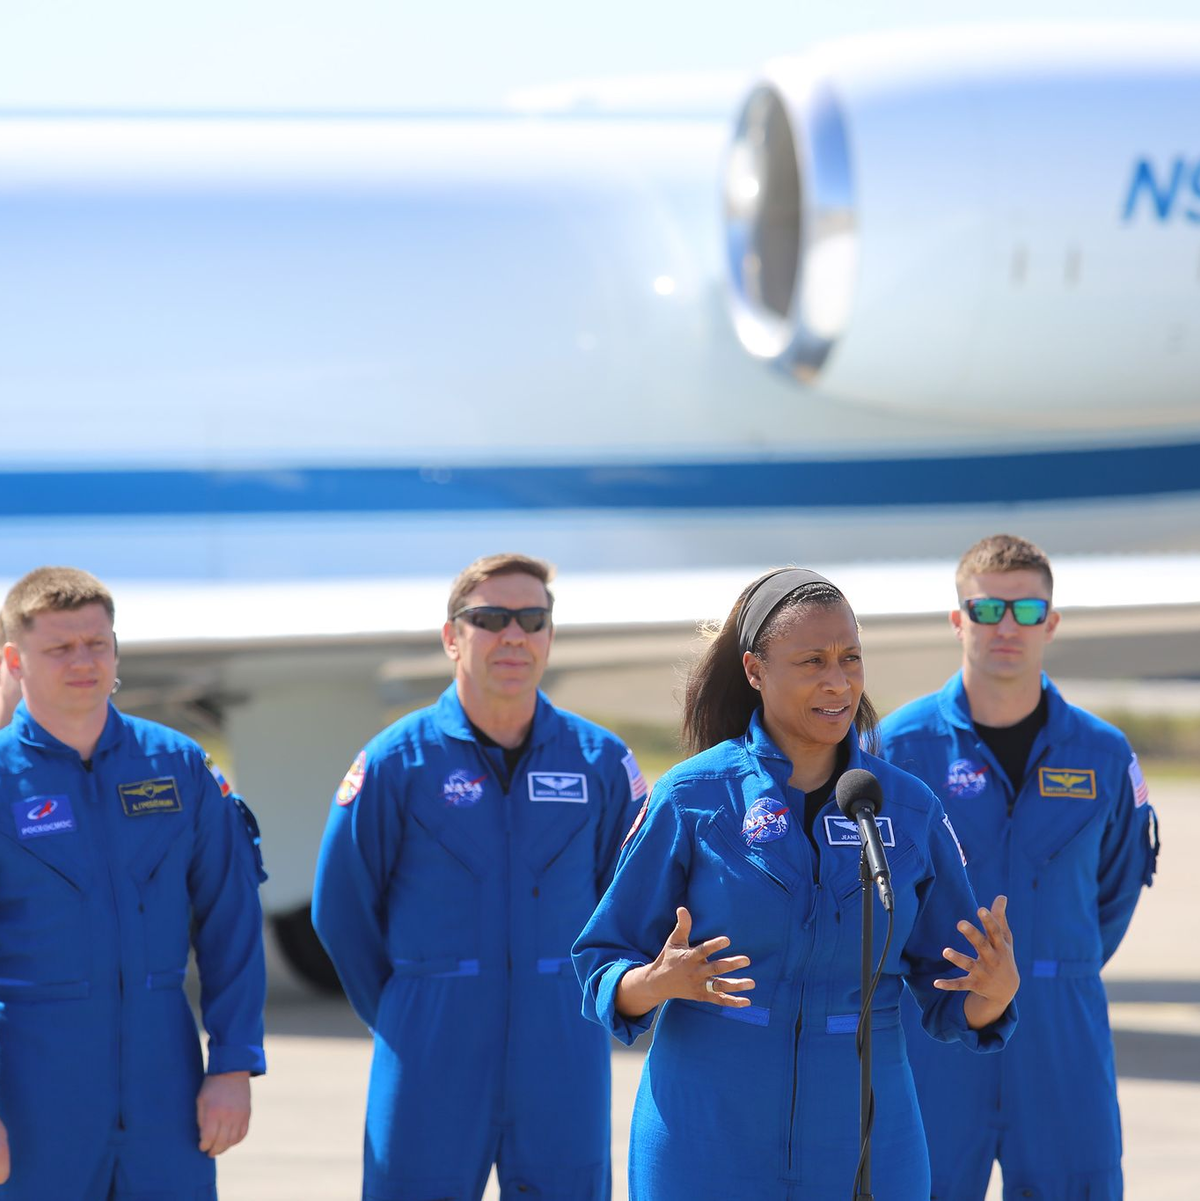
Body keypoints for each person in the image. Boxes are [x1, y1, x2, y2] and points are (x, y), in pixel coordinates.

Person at [573, 567, 1020, 1201]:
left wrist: (995, 995)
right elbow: (600, 962)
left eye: (850, 658)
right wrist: (654, 982)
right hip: (707, 1134)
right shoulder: (691, 798)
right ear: (755, 670)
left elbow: (952, 994)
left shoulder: (908, 810)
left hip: (868, 1139)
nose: (838, 681)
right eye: (812, 661)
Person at [312, 552, 648, 1201]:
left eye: (532, 618)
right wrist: (408, 1007)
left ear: (550, 634)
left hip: (563, 1051)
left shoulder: (601, 761)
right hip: (429, 1050)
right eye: (490, 618)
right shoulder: (395, 762)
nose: (514, 635)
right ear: (451, 637)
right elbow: (340, 907)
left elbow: (627, 901)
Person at [879, 534, 1159, 1200]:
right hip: (934, 1031)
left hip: (1060, 1031)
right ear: (958, 620)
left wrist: (1056, 957)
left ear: (1051, 624)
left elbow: (1117, 889)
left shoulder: (1102, 752)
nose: (1007, 626)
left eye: (1027, 611)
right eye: (986, 610)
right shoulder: (896, 746)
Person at [0, 566, 268, 1200]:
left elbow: (232, 920)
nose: (84, 661)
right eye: (60, 648)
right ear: (15, 658)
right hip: (34, 1092)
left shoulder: (178, 767)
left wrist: (232, 1062)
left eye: (97, 643)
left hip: (165, 1091)